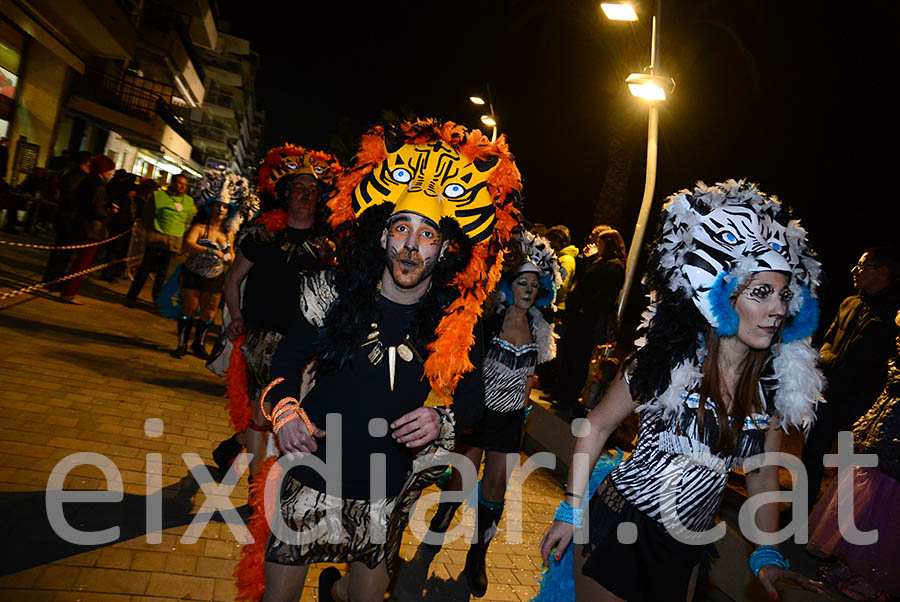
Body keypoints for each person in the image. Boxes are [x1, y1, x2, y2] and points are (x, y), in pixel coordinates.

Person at [232, 120, 522, 602]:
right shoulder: (331, 292)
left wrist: (439, 418)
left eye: (427, 235)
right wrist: (283, 412)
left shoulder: (454, 320)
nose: (411, 244)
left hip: (383, 493)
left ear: (445, 249)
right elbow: (284, 363)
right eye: (401, 229)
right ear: (383, 238)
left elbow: (475, 402)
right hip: (310, 474)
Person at [538, 180, 826, 602]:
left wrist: (766, 551)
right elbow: (596, 427)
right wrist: (570, 508)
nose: (778, 308)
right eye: (761, 293)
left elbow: (762, 471)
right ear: (724, 296)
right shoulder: (667, 361)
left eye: (784, 295)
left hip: (691, 546)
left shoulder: (772, 388)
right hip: (623, 528)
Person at [428, 229, 559, 597]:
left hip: (511, 418)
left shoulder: (539, 326)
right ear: (510, 284)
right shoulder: (490, 318)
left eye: (535, 283)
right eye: (523, 282)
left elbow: (532, 374)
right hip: (479, 411)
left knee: (496, 487)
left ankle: (477, 555)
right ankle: (442, 517)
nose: (529, 289)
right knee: (462, 477)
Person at [212, 145, 342, 478]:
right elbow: (233, 278)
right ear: (285, 193)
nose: (305, 195)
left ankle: (240, 442)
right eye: (298, 188)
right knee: (263, 412)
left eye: (312, 190)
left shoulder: (330, 242)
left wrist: (330, 261)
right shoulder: (263, 233)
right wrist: (236, 318)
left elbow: (341, 292)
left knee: (297, 415)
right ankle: (257, 494)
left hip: (308, 346)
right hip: (263, 339)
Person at [807, 310, 900, 600]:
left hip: (895, 455)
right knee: (861, 508)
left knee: (884, 515)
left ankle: (873, 579)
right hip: (879, 440)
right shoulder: (897, 362)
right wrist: (864, 428)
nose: (898, 339)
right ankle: (852, 565)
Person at [802, 246, 900, 507]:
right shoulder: (850, 303)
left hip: (858, 403)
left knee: (846, 464)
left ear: (882, 272)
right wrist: (824, 360)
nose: (854, 271)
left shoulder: (894, 314)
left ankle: (834, 520)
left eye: (862, 267)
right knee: (812, 454)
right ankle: (800, 510)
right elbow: (830, 338)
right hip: (829, 395)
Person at [172, 169, 248, 358]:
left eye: (224, 207)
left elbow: (230, 253)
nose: (221, 209)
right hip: (193, 273)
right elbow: (188, 244)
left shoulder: (229, 233)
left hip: (215, 276)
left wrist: (230, 258)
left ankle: (199, 344)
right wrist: (208, 250)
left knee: (209, 312)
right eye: (217, 206)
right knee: (189, 309)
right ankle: (182, 343)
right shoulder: (199, 227)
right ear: (210, 207)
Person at [554, 225, 626, 417]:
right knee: (570, 356)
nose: (597, 245)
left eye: (600, 242)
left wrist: (584, 307)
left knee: (578, 358)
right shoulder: (602, 262)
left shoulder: (614, 266)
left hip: (587, 320)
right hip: (580, 317)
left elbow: (603, 295)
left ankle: (568, 397)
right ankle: (562, 395)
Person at [124, 173, 195, 305]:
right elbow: (148, 216)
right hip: (156, 238)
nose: (182, 187)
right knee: (144, 269)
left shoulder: (189, 201)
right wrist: (149, 232)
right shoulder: (158, 196)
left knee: (164, 273)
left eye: (184, 185)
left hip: (174, 241)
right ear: (172, 183)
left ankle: (157, 298)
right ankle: (132, 296)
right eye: (179, 183)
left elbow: (187, 219)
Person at [58, 154, 116, 304]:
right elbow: (97, 209)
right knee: (81, 263)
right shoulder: (98, 185)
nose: (111, 173)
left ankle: (64, 288)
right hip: (91, 228)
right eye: (110, 170)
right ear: (103, 169)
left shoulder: (86, 181)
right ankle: (69, 293)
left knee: (71, 259)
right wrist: (111, 211)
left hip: (78, 223)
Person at [42, 150, 92, 286]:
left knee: (60, 251)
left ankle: (51, 278)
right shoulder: (78, 176)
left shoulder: (70, 173)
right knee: (63, 252)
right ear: (86, 162)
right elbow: (72, 198)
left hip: (64, 215)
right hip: (68, 217)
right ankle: (54, 280)